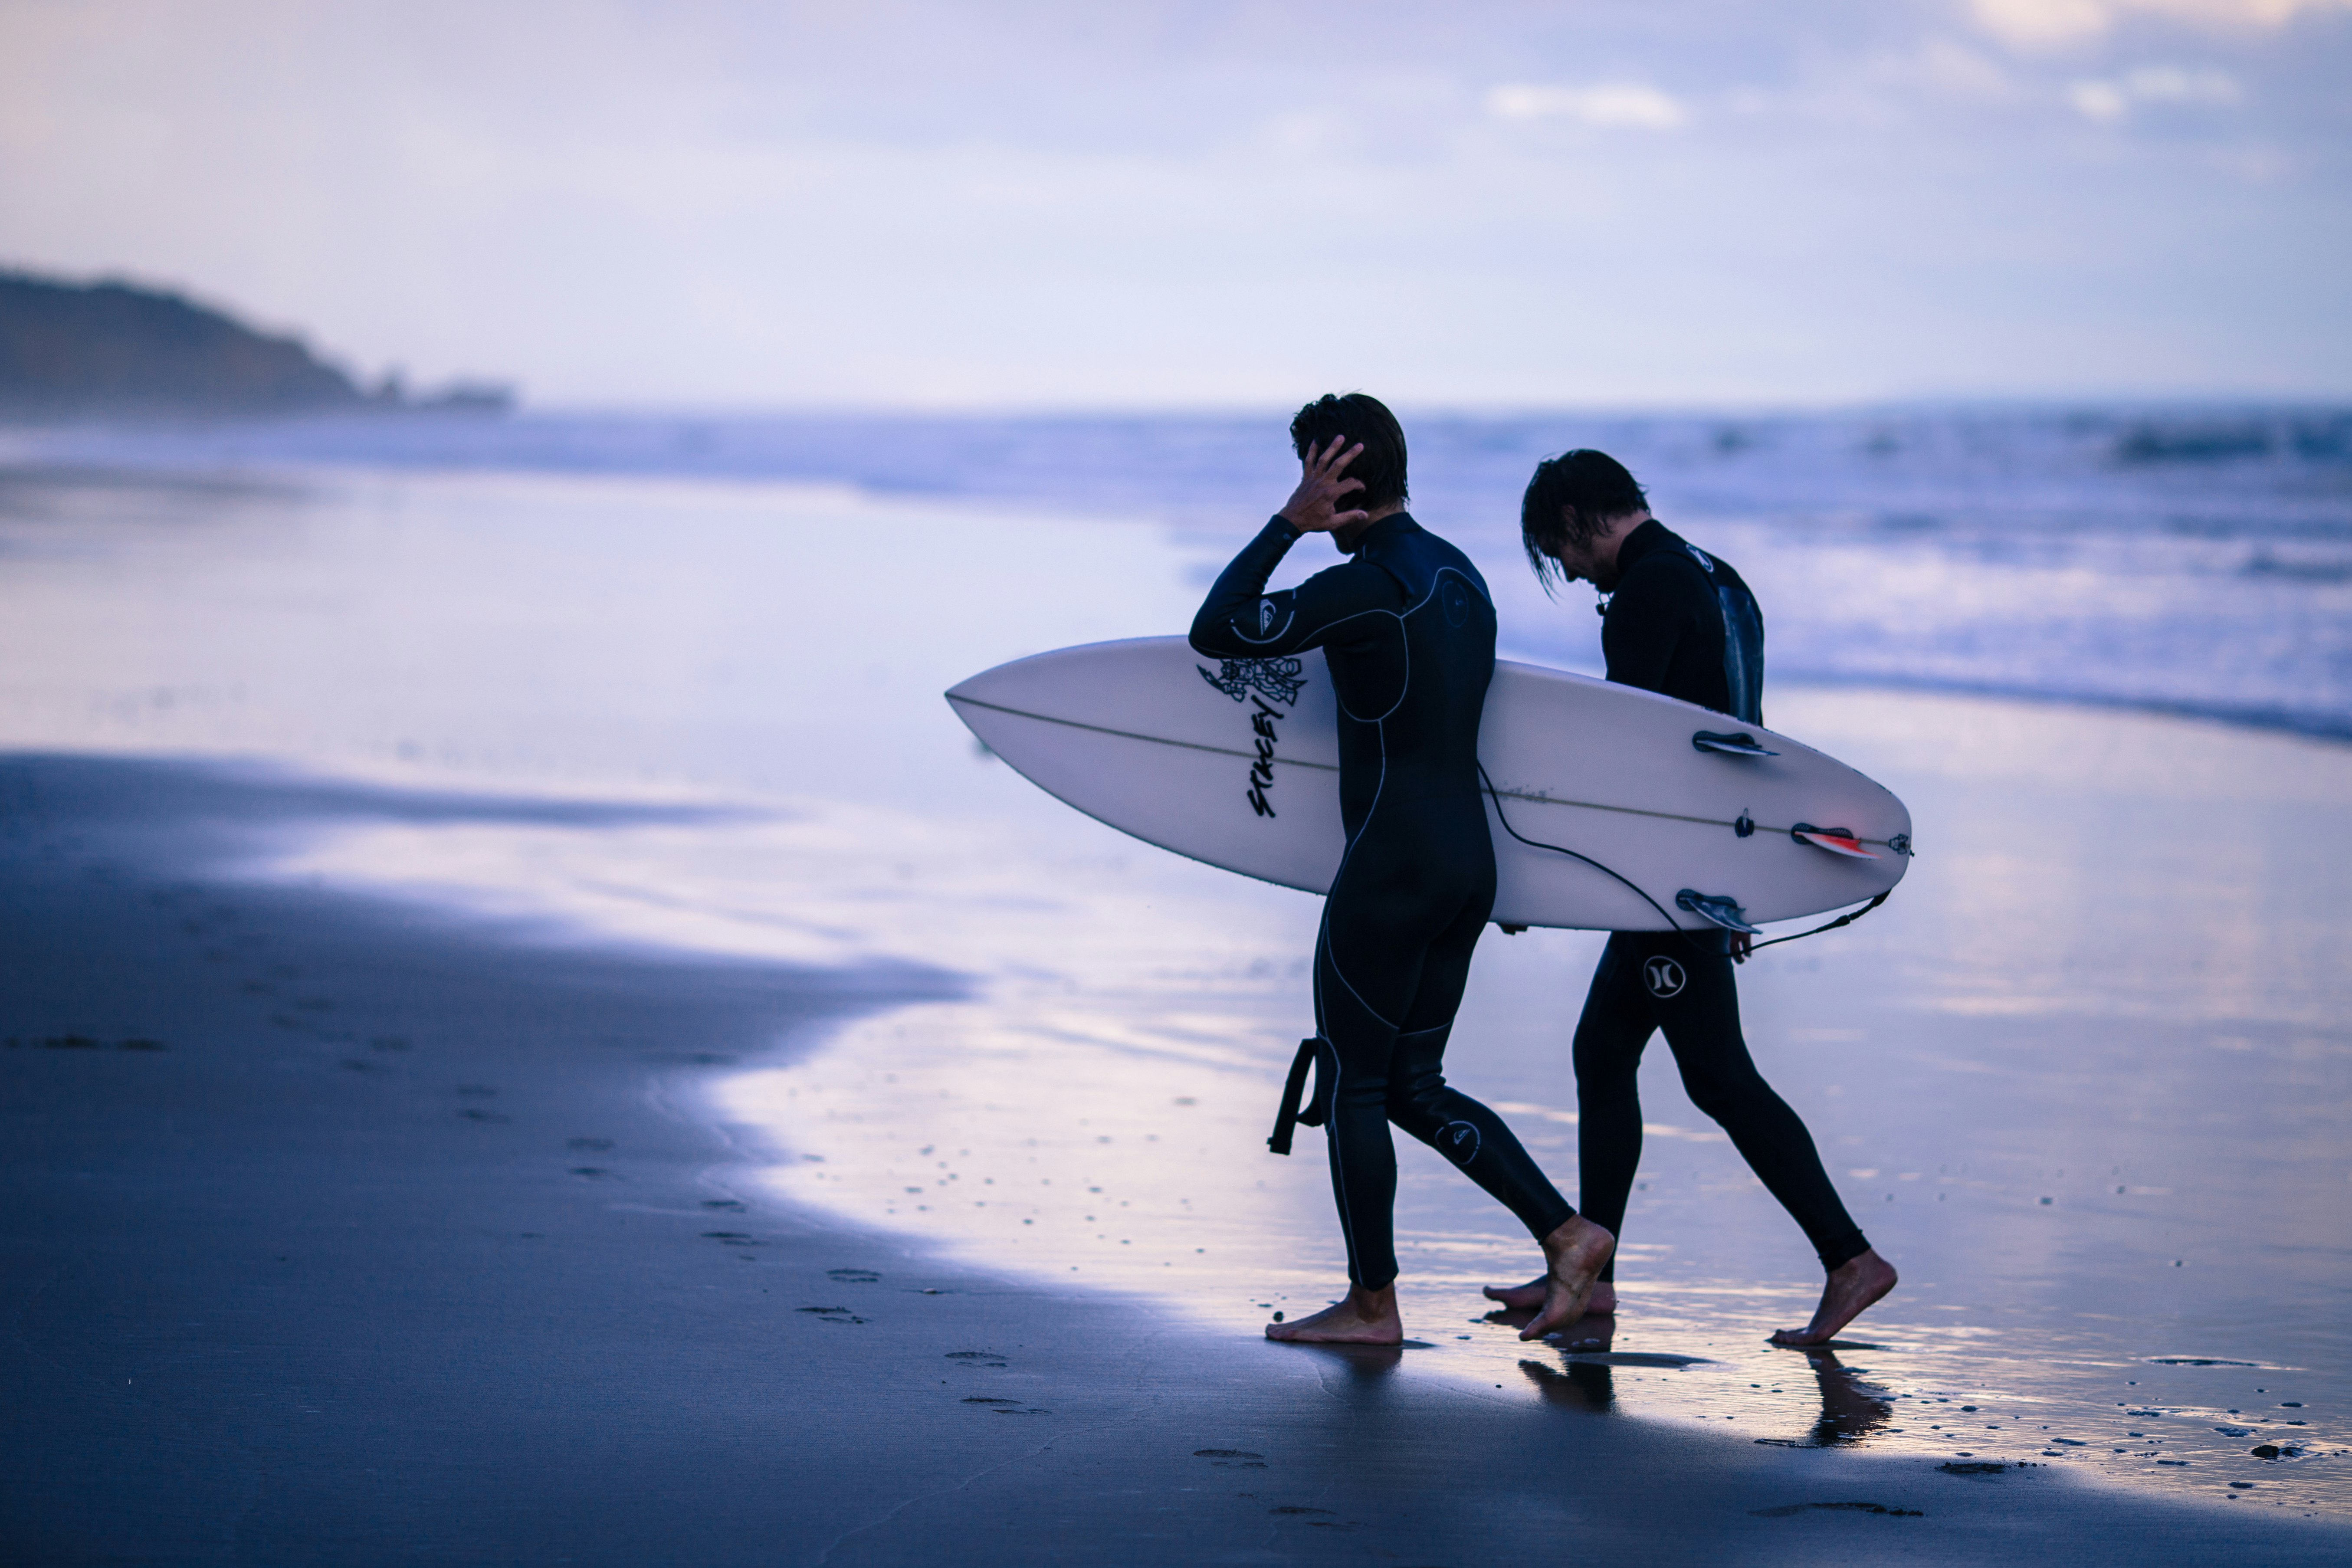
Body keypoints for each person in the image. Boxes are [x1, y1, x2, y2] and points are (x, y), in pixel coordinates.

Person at [1191, 394, 1614, 1345]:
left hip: (1389, 864)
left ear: (1331, 474)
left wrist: (1284, 527)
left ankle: (1371, 1305)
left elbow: (1216, 631)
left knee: (1354, 1082)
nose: (1301, 489)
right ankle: (1568, 1230)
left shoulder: (1368, 584)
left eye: (1309, 472)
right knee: (1415, 1084)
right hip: (1467, 864)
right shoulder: (1460, 578)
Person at [1483, 449, 1898, 1348]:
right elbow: (1742, 734)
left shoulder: (1645, 592)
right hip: (1702, 869)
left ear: (1573, 519)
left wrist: (1534, 877)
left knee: (1717, 1076)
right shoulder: (1718, 578)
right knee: (1602, 1053)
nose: (1567, 573)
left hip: (1665, 881)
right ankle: (1587, 1273)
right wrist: (1740, 881)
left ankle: (1848, 1257)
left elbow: (1624, 760)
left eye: (1557, 553)